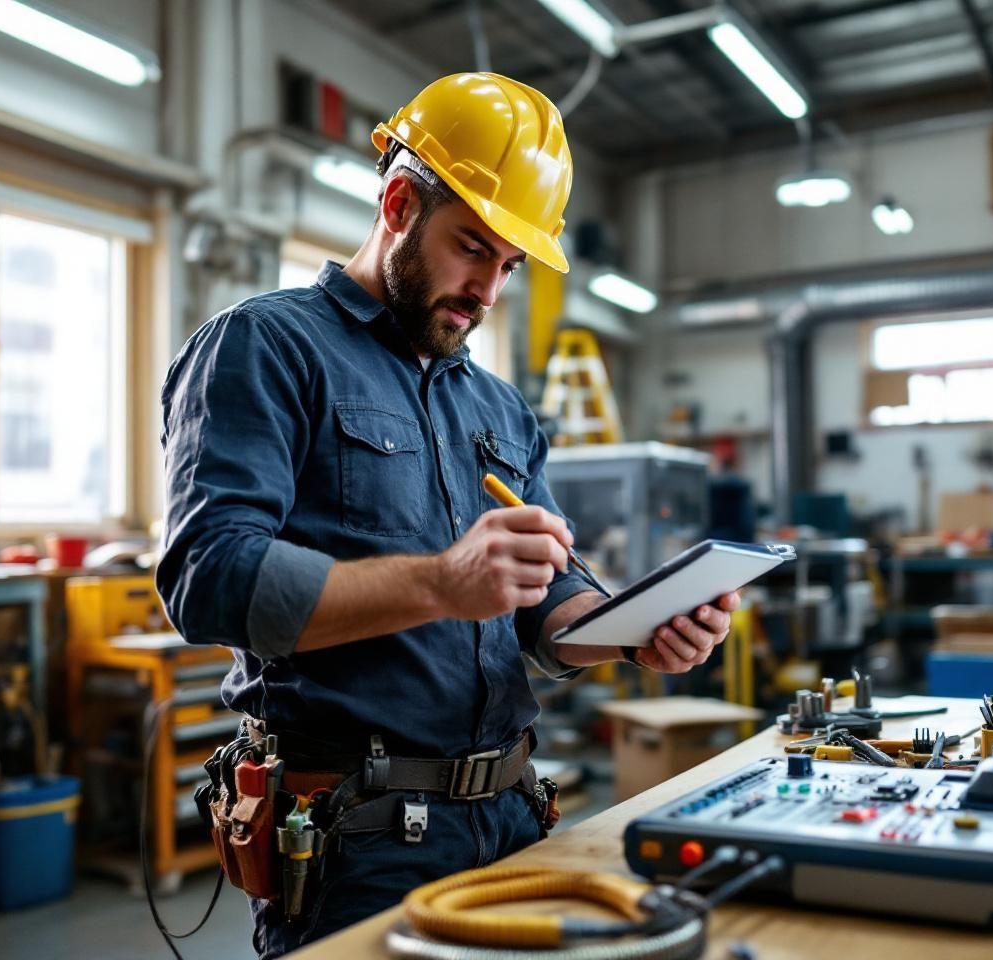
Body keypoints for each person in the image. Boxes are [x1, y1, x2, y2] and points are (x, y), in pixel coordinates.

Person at [156, 73, 741, 957]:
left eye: (508, 265)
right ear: (397, 202)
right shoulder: (266, 347)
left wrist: (631, 631)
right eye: (473, 248)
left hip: (512, 813)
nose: (488, 290)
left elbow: (547, 606)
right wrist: (441, 583)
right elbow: (210, 579)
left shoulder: (501, 409)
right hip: (358, 838)